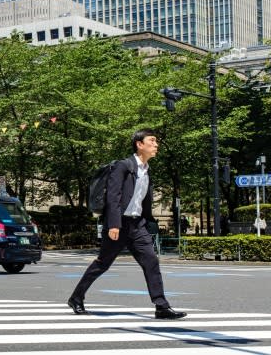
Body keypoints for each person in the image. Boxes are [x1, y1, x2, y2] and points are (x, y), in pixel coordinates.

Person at [67, 129, 187, 319]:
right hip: (119, 224)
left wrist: (148, 222)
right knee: (102, 264)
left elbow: (141, 199)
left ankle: (161, 306)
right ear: (140, 144)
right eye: (152, 141)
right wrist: (113, 224)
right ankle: (76, 297)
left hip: (137, 225)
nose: (156, 145)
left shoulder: (147, 170)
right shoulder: (123, 166)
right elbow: (113, 197)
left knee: (151, 261)